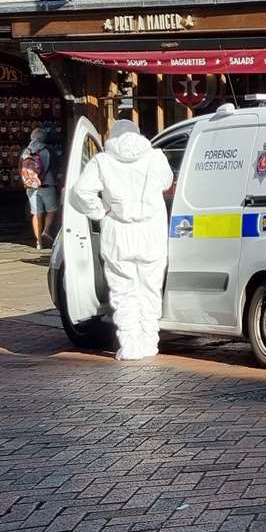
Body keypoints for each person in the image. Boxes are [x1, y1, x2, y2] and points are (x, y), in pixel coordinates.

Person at [68, 120, 172, 361]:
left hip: (117, 231)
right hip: (151, 232)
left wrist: (100, 212)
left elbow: (80, 192)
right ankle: (149, 342)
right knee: (150, 289)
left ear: (112, 136)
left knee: (124, 292)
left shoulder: (102, 161)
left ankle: (130, 345)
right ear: (139, 134)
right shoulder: (156, 157)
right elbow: (166, 183)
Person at [20, 128, 60, 248]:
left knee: (36, 214)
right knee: (52, 210)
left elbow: (21, 169)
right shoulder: (48, 150)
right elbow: (56, 166)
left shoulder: (25, 152)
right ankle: (46, 231)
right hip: (47, 184)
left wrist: (27, 181)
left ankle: (38, 242)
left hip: (31, 186)